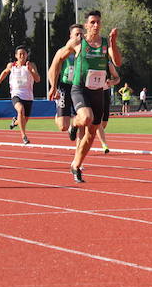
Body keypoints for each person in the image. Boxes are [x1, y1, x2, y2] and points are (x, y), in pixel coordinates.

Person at [47, 10, 119, 183]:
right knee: (86, 117)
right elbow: (57, 59)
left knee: (92, 133)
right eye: (92, 22)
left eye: (98, 22)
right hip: (79, 89)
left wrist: (114, 42)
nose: (96, 25)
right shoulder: (78, 42)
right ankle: (74, 123)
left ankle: (76, 165)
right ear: (86, 25)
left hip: (98, 92)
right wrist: (53, 85)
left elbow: (117, 62)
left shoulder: (105, 43)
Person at [0, 45, 41, 145]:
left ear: (27, 55)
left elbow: (37, 79)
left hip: (28, 95)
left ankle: (15, 122)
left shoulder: (31, 65)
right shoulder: (12, 65)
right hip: (16, 93)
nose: (22, 56)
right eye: (20, 54)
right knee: (20, 109)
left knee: (23, 119)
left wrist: (31, 70)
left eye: (24, 54)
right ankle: (24, 136)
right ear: (16, 55)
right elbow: (4, 73)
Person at [50, 24, 83, 134]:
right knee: (63, 126)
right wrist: (53, 87)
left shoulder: (86, 51)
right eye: (76, 34)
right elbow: (52, 70)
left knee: (84, 119)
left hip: (79, 87)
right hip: (65, 86)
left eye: (81, 34)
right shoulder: (62, 52)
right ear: (70, 36)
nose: (79, 37)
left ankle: (74, 125)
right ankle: (59, 114)